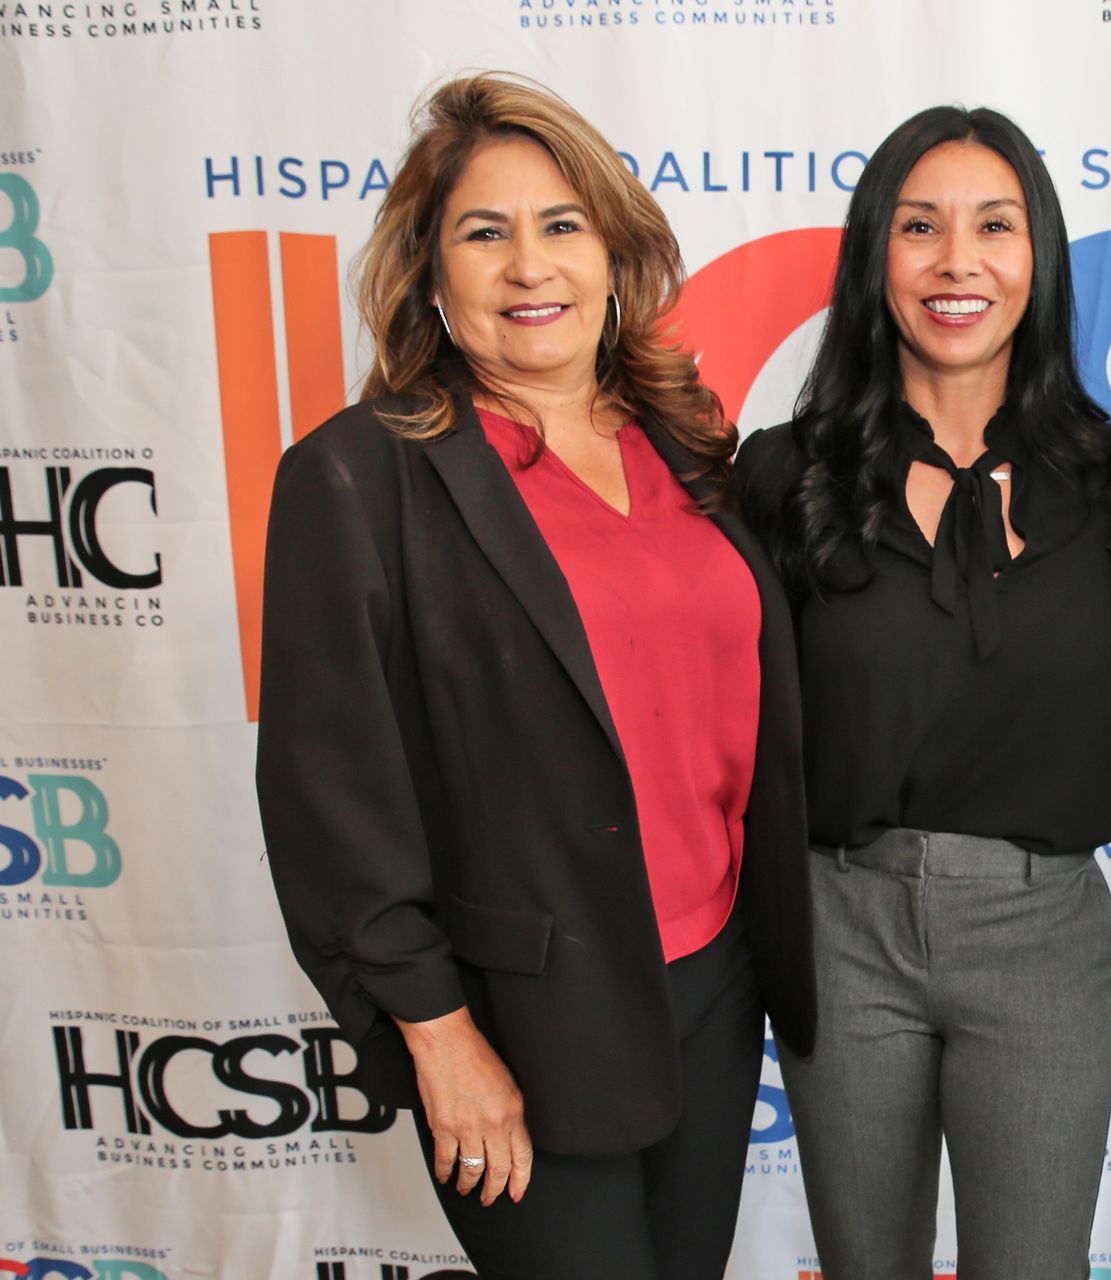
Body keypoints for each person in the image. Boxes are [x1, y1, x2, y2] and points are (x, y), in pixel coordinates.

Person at [254, 74, 813, 1280]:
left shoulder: (687, 443)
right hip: (518, 1014)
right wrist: (440, 1037)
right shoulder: (358, 478)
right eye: (483, 231)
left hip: (713, 981)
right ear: (429, 268)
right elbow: (329, 802)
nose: (529, 266)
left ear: (614, 253)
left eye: (562, 225)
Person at [734, 106, 1111, 1280]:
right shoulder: (785, 473)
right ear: (876, 256)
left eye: (994, 225)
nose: (957, 259)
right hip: (838, 924)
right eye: (920, 226)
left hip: (1040, 932)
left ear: (1040, 257)